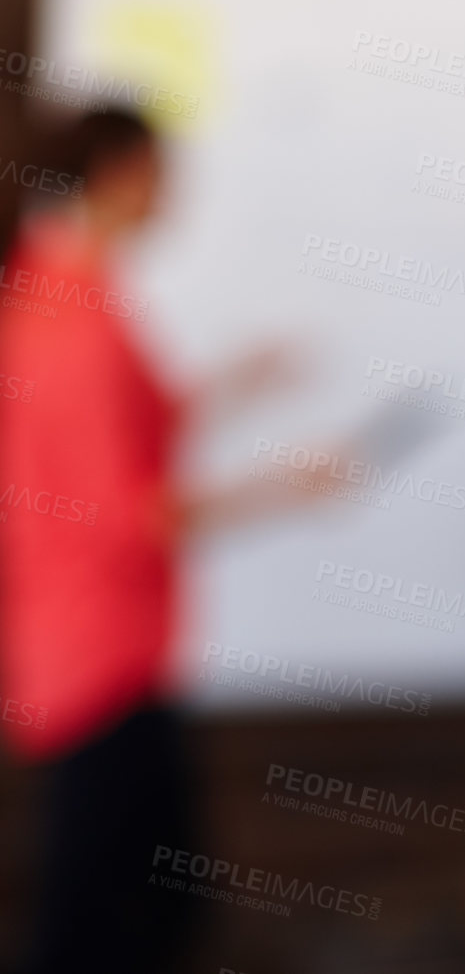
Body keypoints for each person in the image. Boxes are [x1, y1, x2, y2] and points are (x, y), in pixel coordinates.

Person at [0, 107, 307, 973]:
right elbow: (136, 516)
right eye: (164, 172)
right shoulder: (77, 324)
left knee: (147, 903)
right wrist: (291, 488)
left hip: (91, 643)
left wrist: (237, 384)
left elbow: (131, 430)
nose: (176, 194)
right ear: (123, 171)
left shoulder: (55, 286)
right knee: (102, 921)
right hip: (99, 654)